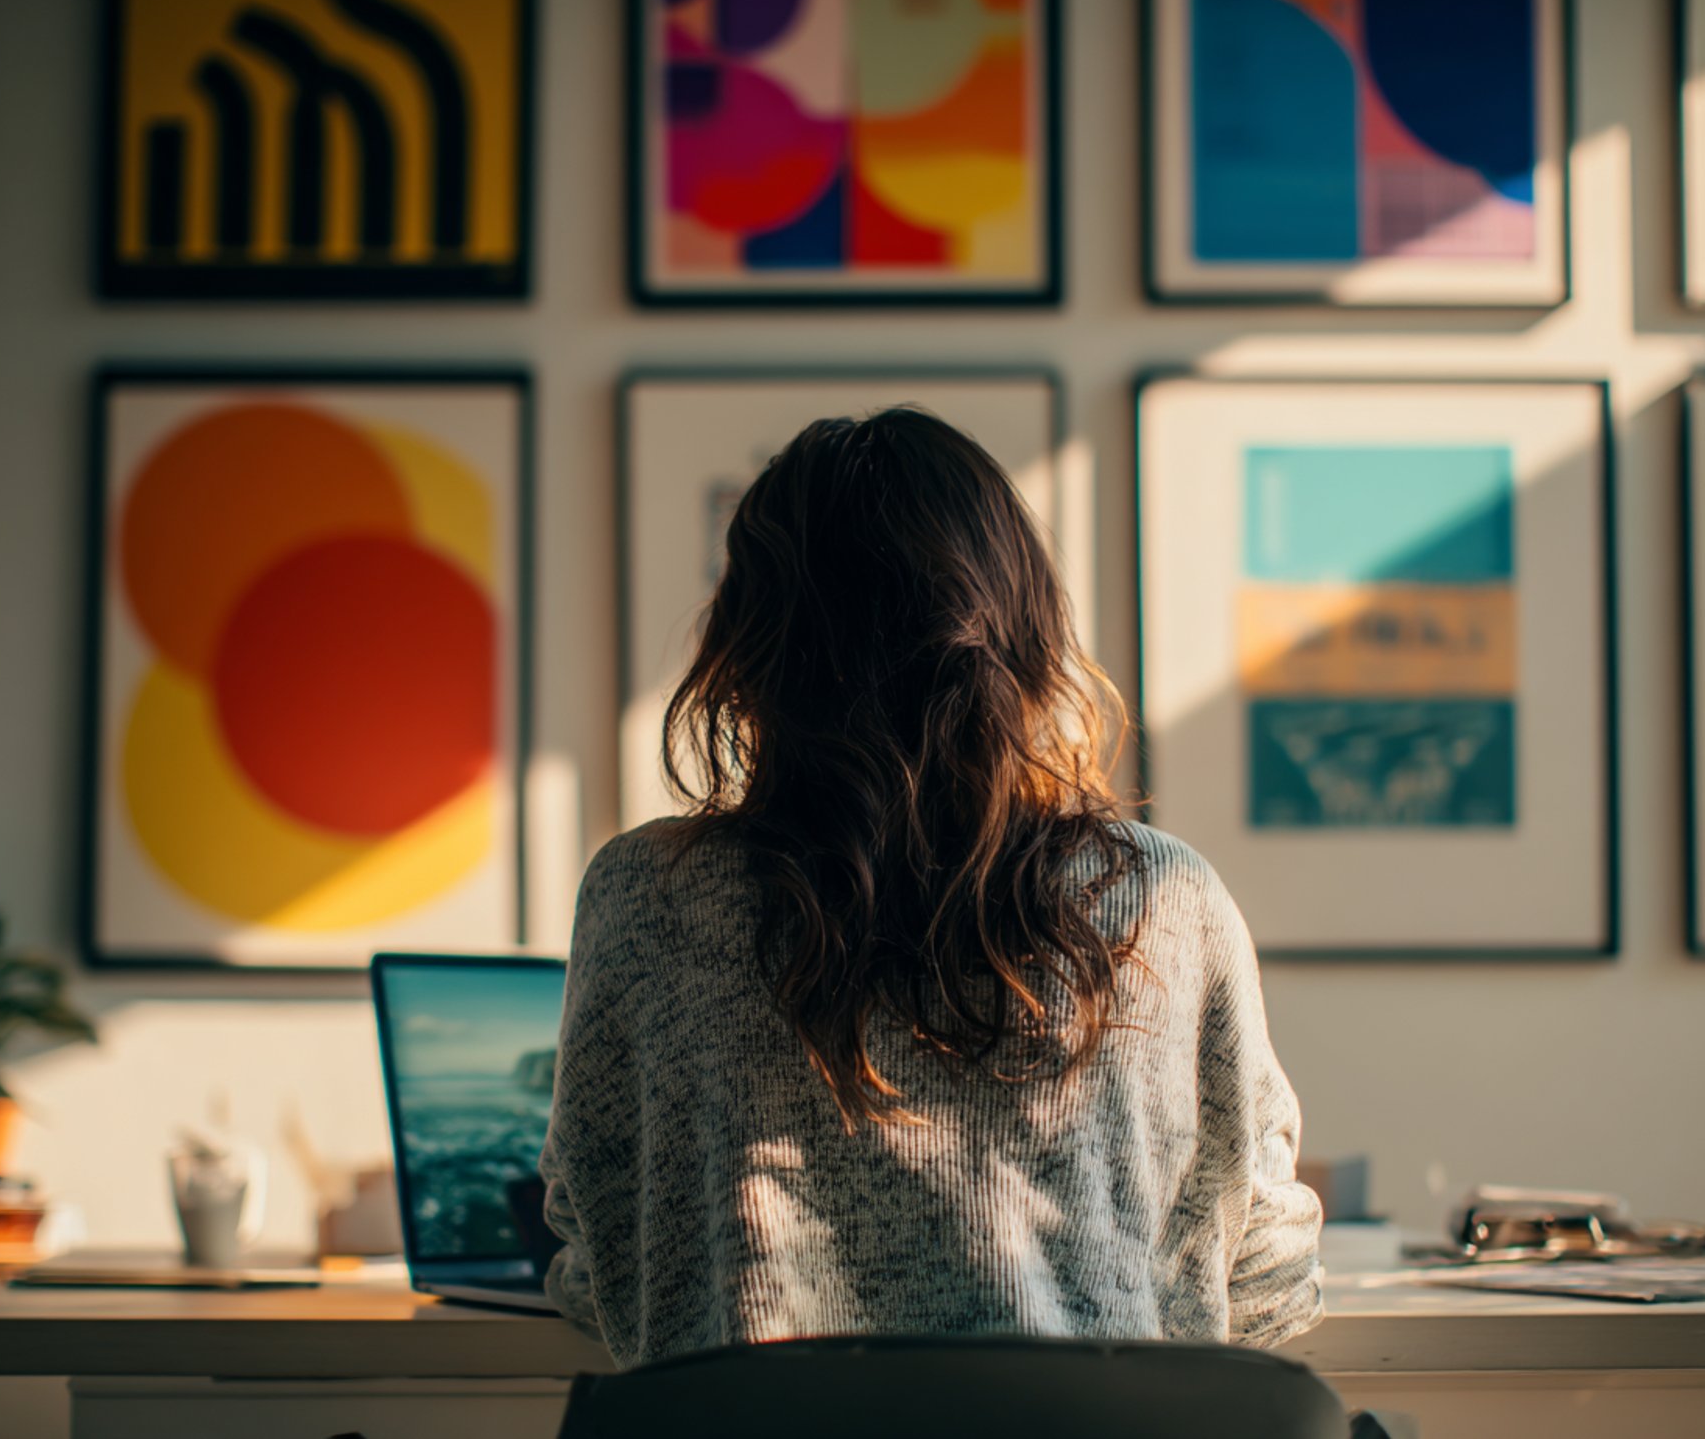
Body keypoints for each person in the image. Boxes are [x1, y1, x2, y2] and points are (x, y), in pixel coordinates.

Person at [539, 408, 1322, 1368]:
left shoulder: (644, 896)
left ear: (749, 646)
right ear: (1026, 628)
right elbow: (1263, 1275)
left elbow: (600, 1253)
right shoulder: (1159, 897)